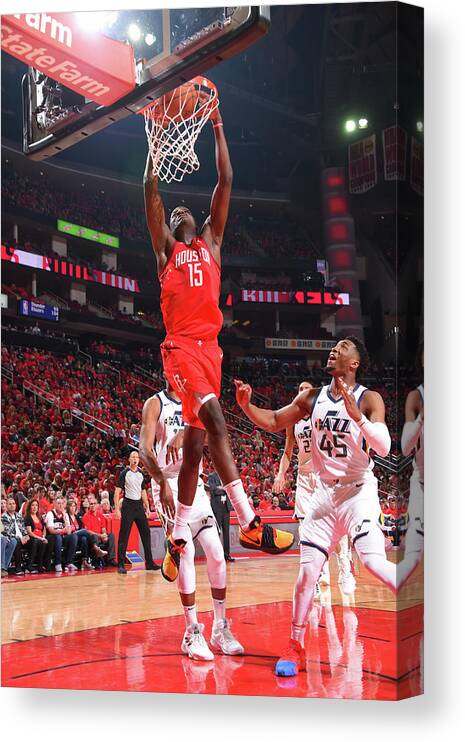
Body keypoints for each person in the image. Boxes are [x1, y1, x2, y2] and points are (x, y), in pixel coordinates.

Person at [143, 100, 294, 580]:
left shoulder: (211, 244)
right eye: (177, 210)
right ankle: (250, 521)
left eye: (190, 208)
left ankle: (178, 536)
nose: (183, 210)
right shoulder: (167, 250)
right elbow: (151, 192)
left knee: (194, 450)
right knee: (216, 419)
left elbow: (225, 180)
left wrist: (219, 124)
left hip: (212, 351)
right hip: (181, 348)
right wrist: (153, 144)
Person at [235, 336, 397, 676]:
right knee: (307, 574)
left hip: (357, 491)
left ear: (354, 363)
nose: (334, 350)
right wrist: (247, 406)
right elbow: (274, 421)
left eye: (343, 347)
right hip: (323, 494)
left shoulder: (369, 398)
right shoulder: (312, 397)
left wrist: (359, 418)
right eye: (333, 347)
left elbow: (382, 448)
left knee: (371, 561)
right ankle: (294, 644)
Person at [139, 381, 244, 660]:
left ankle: (220, 628)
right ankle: (191, 632)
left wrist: (186, 435)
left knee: (217, 553)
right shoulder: (155, 404)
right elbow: (144, 449)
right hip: (168, 485)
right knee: (186, 553)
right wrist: (159, 481)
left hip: (194, 485)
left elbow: (215, 434)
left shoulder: (196, 403)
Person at [272, 380, 355, 594]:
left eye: (305, 389)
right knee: (306, 529)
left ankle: (345, 567)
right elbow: (288, 451)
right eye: (299, 389)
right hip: (303, 477)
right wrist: (281, 473)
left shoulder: (322, 412)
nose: (301, 392)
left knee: (334, 526)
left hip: (324, 476)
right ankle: (317, 576)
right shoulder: (293, 420)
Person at [397, 376, 424, 588]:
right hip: (423, 485)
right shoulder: (417, 396)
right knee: (413, 556)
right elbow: (406, 448)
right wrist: (422, 419)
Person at [114, 451, 159, 574]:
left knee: (146, 532)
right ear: (129, 459)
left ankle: (149, 562)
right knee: (124, 535)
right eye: (133, 457)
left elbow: (143, 490)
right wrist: (117, 508)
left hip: (139, 506)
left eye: (137, 457)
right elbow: (117, 492)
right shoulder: (124, 473)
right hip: (128, 505)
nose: (135, 459)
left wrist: (147, 506)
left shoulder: (140, 474)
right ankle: (121, 564)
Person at [66, 499, 107, 570]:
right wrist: (100, 535)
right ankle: (96, 548)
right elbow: (69, 531)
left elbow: (80, 529)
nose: (73, 508)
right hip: (71, 536)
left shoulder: (77, 517)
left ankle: (84, 562)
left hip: (78, 537)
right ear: (68, 507)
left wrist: (104, 535)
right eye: (71, 506)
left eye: (74, 506)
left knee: (84, 539)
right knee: (86, 531)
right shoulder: (66, 516)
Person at [45, 495, 78, 573]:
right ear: (55, 504)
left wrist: (64, 518)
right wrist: (63, 530)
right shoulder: (50, 513)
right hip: (52, 538)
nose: (60, 505)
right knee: (58, 537)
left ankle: (69, 562)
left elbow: (69, 531)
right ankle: (58, 563)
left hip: (62, 536)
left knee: (74, 537)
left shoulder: (65, 514)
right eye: (58, 503)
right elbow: (51, 530)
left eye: (62, 503)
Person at [82, 496, 117, 568]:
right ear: (89, 505)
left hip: (100, 536)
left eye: (94, 503)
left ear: (97, 505)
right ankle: (97, 560)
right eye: (91, 504)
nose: (93, 505)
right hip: (92, 538)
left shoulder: (100, 515)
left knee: (111, 536)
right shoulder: (86, 516)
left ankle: (111, 560)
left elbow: (103, 528)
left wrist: (104, 535)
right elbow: (88, 531)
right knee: (94, 536)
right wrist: (100, 535)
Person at [208, 470, 234, 562]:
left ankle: (227, 555)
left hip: (226, 507)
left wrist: (221, 489)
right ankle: (217, 555)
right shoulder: (212, 476)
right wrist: (223, 489)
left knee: (226, 532)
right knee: (217, 532)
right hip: (217, 507)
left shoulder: (225, 475)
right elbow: (213, 490)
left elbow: (229, 489)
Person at [1, 496, 30, 575]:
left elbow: (23, 528)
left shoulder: (19, 516)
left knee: (35, 542)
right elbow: (7, 532)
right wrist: (20, 538)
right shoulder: (4, 517)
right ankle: (15, 568)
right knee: (15, 541)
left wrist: (26, 535)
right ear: (6, 506)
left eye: (13, 503)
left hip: (22, 537)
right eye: (10, 504)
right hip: (11, 538)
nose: (12, 505)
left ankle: (30, 566)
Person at [23, 498, 48, 573]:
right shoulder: (27, 517)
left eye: (36, 505)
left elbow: (44, 529)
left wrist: (43, 537)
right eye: (33, 505)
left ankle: (40, 565)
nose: (34, 507)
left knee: (44, 542)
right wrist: (40, 538)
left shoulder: (40, 517)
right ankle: (29, 566)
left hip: (40, 538)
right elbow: (29, 532)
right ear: (29, 507)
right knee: (36, 541)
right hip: (31, 539)